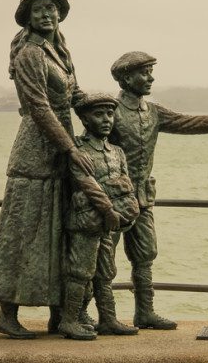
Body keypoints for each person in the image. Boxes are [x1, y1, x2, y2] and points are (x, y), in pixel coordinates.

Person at [108, 51, 208, 330]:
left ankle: (145, 312)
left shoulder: (152, 111)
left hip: (142, 196)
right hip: (112, 197)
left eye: (150, 71)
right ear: (125, 77)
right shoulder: (110, 110)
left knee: (145, 254)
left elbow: (188, 122)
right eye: (144, 72)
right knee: (102, 257)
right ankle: (102, 317)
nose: (150, 77)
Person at [0, 0, 94, 339]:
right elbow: (40, 108)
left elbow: (75, 96)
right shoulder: (30, 54)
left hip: (59, 151)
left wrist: (107, 114)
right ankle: (6, 312)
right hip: (36, 153)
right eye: (39, 9)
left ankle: (60, 313)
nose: (47, 14)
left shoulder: (58, 52)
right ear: (27, 18)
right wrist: (71, 148)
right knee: (23, 233)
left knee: (59, 232)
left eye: (52, 8)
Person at [60, 93, 141, 340]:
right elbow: (87, 184)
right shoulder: (78, 150)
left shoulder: (117, 151)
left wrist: (127, 211)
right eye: (98, 114)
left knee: (106, 271)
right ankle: (69, 320)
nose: (106, 119)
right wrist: (109, 210)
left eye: (110, 113)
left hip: (111, 223)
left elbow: (126, 182)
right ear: (84, 118)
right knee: (81, 272)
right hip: (88, 222)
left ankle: (107, 319)